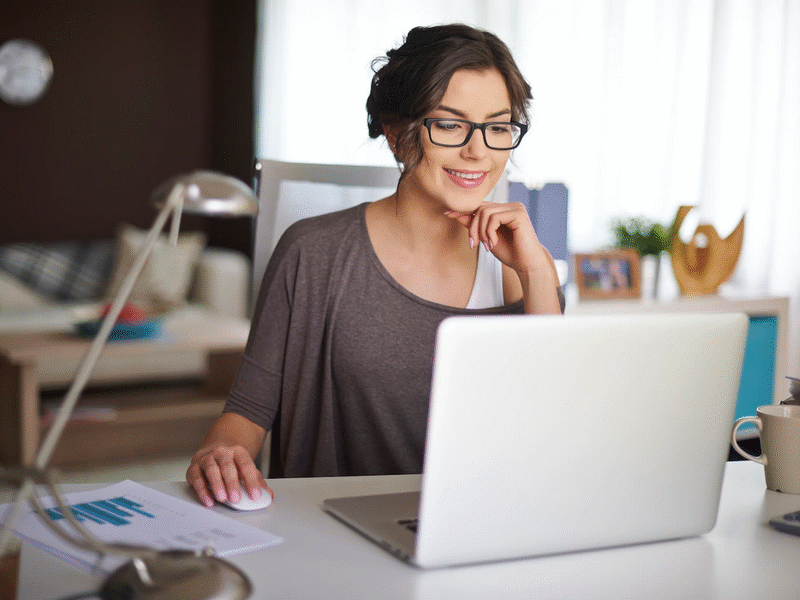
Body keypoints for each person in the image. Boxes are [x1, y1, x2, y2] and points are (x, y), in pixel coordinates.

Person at [187, 23, 564, 508]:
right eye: (449, 124)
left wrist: (537, 273)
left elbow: (553, 432)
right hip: (334, 537)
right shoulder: (312, 253)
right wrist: (221, 452)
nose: (479, 151)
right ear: (397, 134)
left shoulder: (524, 266)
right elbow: (245, 415)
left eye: (498, 126)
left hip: (481, 528)